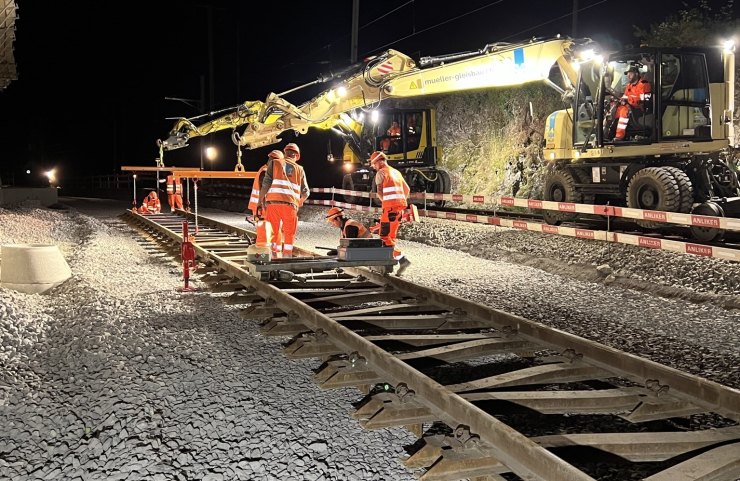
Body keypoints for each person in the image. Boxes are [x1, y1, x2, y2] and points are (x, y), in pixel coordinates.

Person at [258, 143, 309, 258]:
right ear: (296, 155)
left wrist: (260, 201)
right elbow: (306, 192)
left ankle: (274, 257)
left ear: (285, 153)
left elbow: (266, 184)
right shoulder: (299, 169)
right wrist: (300, 201)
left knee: (273, 232)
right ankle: (287, 258)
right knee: (289, 234)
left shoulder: (274, 163)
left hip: (273, 205)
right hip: (291, 206)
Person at [369, 151, 411, 276]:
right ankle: (389, 263)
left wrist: (387, 203)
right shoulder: (396, 172)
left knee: (384, 237)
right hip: (400, 209)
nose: (374, 167)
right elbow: (407, 189)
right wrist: (399, 201)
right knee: (391, 237)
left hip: (390, 210)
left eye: (374, 164)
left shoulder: (380, 173)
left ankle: (402, 260)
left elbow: (379, 192)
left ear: (380, 161)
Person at [248, 152, 283, 252]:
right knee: (264, 233)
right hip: (262, 209)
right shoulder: (266, 172)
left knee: (270, 232)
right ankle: (263, 254)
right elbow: (263, 190)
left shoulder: (266, 170)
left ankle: (271, 253)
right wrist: (263, 206)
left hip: (262, 207)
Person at [613, 65, 652, 141]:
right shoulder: (629, 86)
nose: (628, 76)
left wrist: (628, 100)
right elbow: (625, 96)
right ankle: (606, 133)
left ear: (636, 74)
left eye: (630, 73)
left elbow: (645, 98)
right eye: (627, 74)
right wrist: (620, 101)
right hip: (629, 106)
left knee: (624, 111)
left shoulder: (644, 84)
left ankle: (619, 136)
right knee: (614, 109)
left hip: (640, 109)